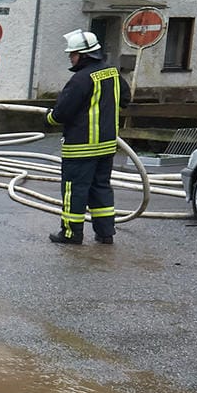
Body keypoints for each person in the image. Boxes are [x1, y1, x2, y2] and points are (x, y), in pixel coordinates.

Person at [46, 29, 130, 245]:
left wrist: (49, 118)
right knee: (101, 188)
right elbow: (126, 99)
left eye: (72, 54)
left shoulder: (80, 79)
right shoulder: (112, 73)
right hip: (107, 146)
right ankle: (105, 233)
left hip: (81, 147)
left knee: (74, 191)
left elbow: (61, 114)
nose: (70, 58)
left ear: (83, 55)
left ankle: (71, 233)